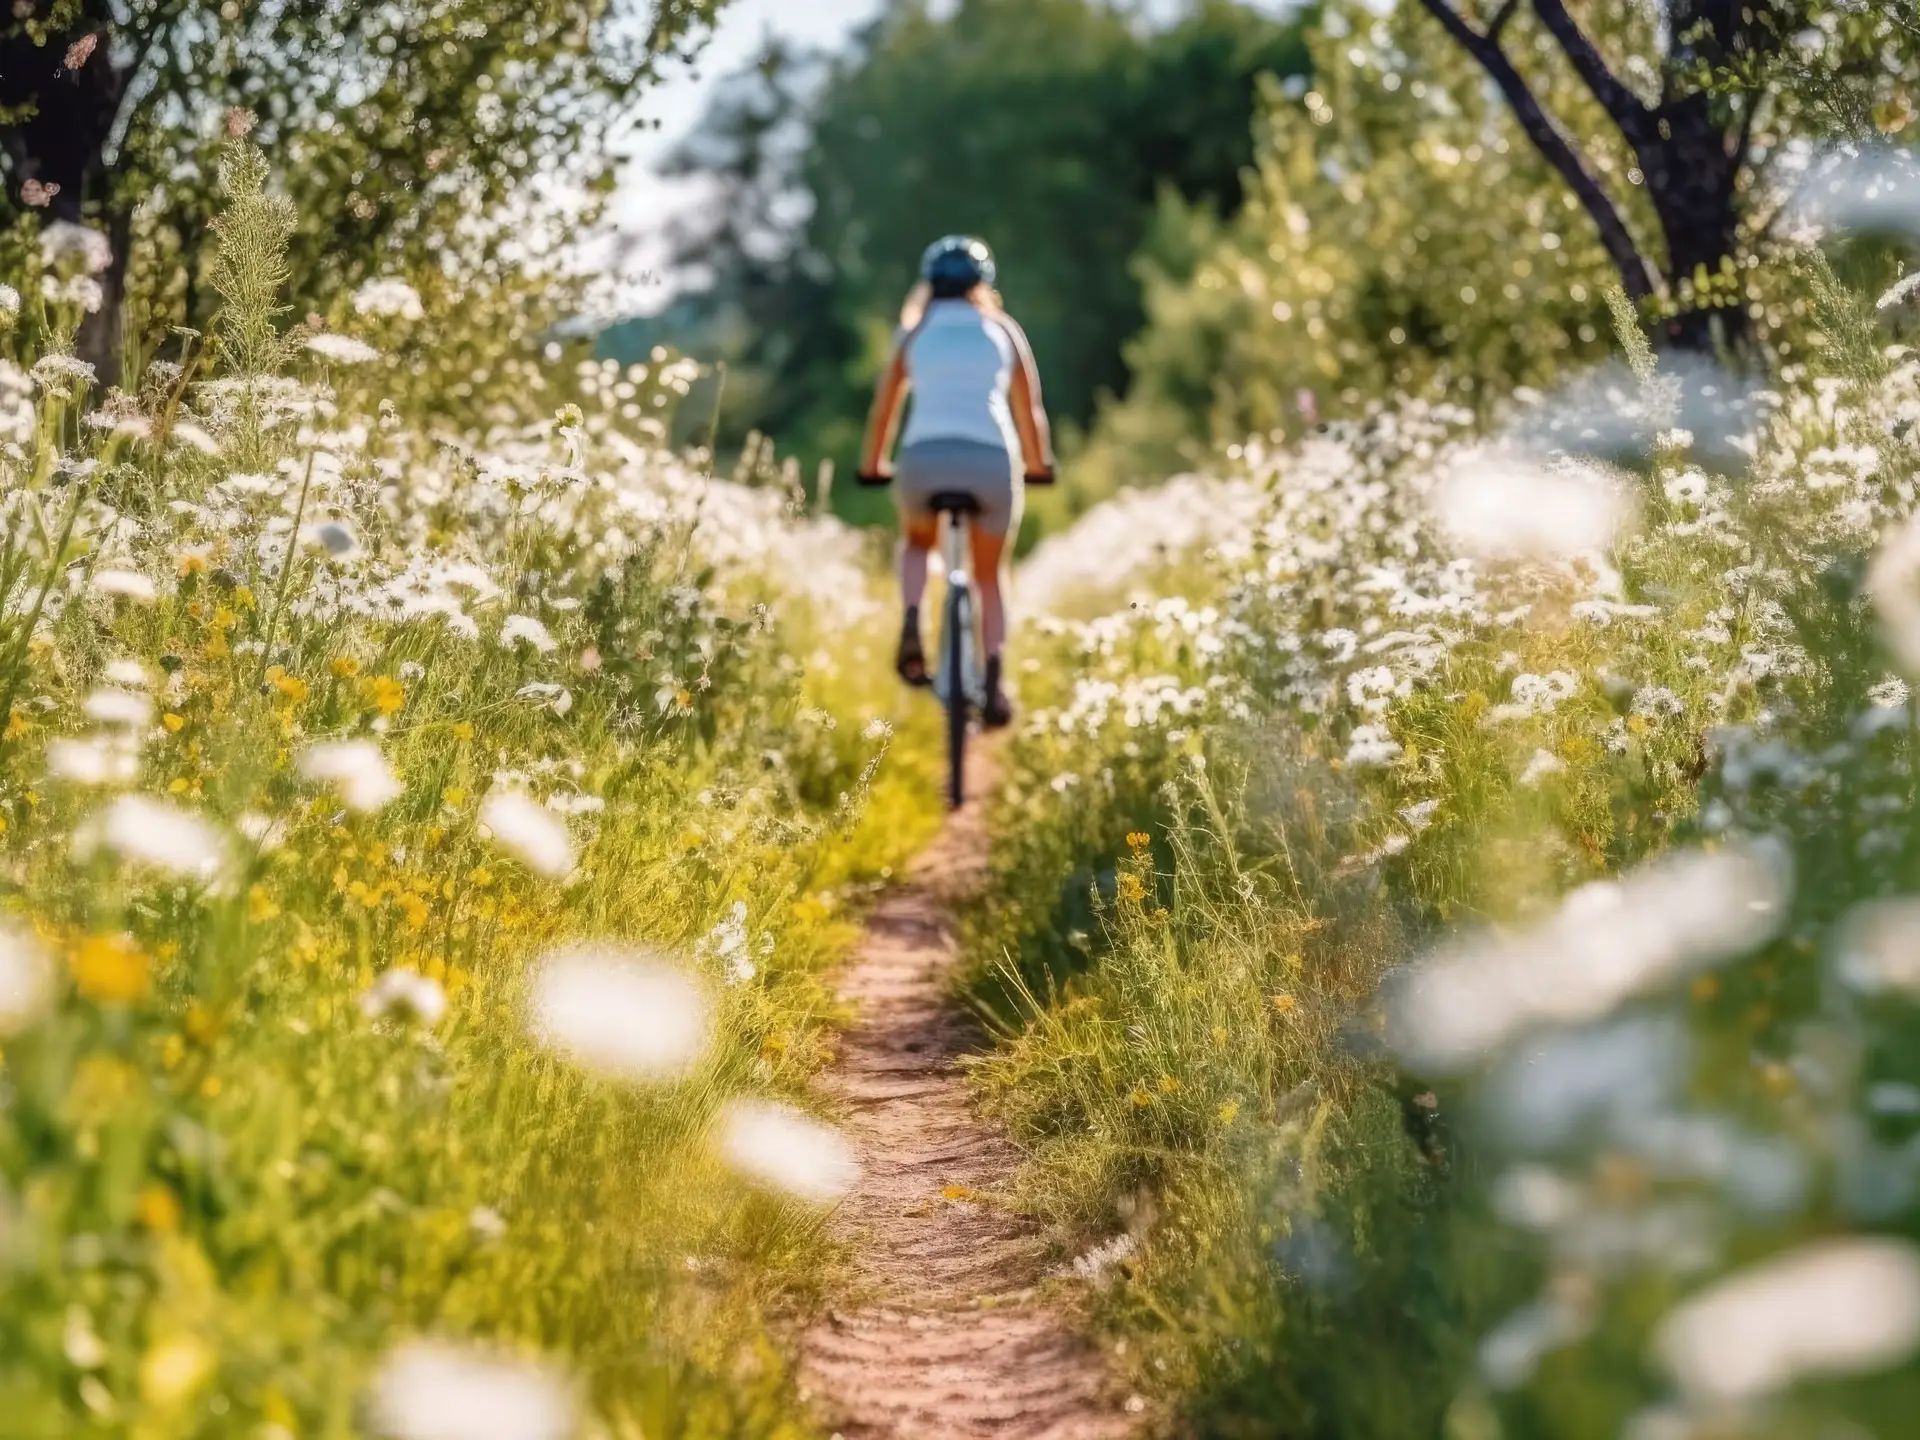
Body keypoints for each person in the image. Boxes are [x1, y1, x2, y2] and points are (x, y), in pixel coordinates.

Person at [857, 235, 1055, 728]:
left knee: (916, 544)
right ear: (982, 286)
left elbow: (885, 409)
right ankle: (992, 679)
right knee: (988, 577)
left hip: (923, 459)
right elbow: (1028, 411)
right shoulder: (1003, 329)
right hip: (990, 461)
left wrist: (872, 464)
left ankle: (911, 619)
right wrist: (1039, 464)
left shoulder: (913, 332)